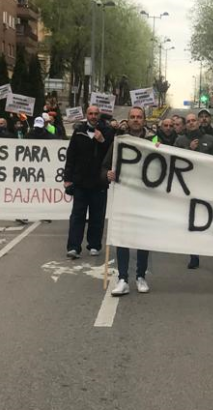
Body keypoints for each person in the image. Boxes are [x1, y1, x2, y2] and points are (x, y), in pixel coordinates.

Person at [104, 107, 152, 296]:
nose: (135, 120)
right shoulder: (119, 141)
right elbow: (104, 166)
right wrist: (107, 174)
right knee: (122, 237)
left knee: (142, 239)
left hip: (145, 197)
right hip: (124, 195)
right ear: (128, 120)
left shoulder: (153, 141)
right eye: (132, 117)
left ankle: (141, 276)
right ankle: (123, 279)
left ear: (144, 120)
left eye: (139, 117)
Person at [64, 106, 114, 259]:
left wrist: (102, 140)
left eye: (96, 114)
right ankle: (73, 247)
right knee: (77, 216)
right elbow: (71, 156)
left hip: (99, 182)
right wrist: (67, 178)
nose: (93, 116)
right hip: (80, 182)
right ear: (86, 115)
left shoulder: (108, 131)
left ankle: (94, 245)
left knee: (97, 216)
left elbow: (112, 153)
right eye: (90, 114)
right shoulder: (79, 131)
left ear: (100, 115)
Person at [177, 113, 213, 268]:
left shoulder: (210, 139)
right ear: (185, 125)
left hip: (207, 186)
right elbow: (174, 161)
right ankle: (194, 256)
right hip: (189, 188)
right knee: (193, 223)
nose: (191, 123)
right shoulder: (180, 141)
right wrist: (190, 151)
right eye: (188, 121)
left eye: (193, 120)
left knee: (211, 220)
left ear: (198, 123)